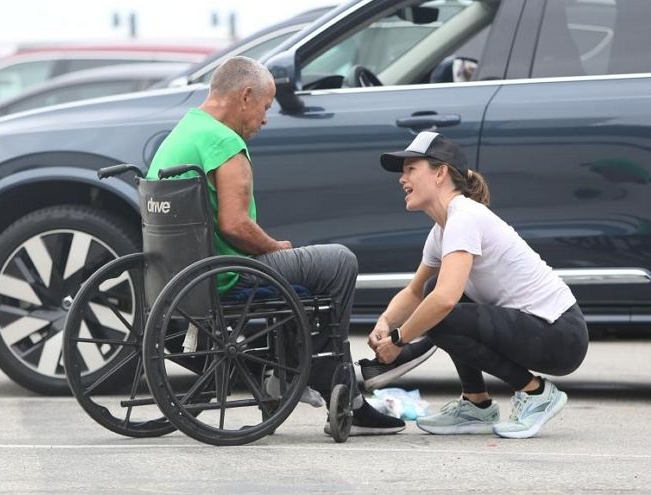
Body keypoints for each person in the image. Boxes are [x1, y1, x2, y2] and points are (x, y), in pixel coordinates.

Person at [146, 56, 404, 436]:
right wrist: (274, 245)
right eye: (265, 107)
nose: (265, 119)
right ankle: (332, 381)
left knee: (304, 271)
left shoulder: (185, 131)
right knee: (339, 262)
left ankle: (286, 368)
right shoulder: (224, 142)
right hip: (226, 277)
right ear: (246, 96)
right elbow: (234, 225)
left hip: (182, 277)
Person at [368, 131, 589, 439]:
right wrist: (386, 321)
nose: (402, 179)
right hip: (534, 329)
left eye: (410, 169)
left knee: (442, 310)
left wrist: (399, 339)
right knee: (433, 296)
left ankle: (536, 393)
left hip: (560, 334)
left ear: (440, 172)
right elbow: (415, 292)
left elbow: (445, 300)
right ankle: (476, 404)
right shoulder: (443, 228)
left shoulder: (465, 216)